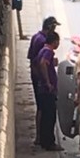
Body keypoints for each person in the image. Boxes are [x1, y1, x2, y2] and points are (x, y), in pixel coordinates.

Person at [28, 16, 61, 145]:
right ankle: (43, 138)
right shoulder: (43, 43)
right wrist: (46, 81)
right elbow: (41, 63)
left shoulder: (36, 37)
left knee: (42, 109)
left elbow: (33, 59)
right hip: (42, 83)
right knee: (46, 111)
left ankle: (40, 137)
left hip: (38, 80)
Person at [35, 31, 63, 151]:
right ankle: (49, 142)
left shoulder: (42, 50)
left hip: (42, 88)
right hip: (47, 90)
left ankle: (43, 140)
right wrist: (48, 82)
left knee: (45, 115)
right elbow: (42, 64)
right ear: (55, 41)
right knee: (50, 116)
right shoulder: (48, 51)